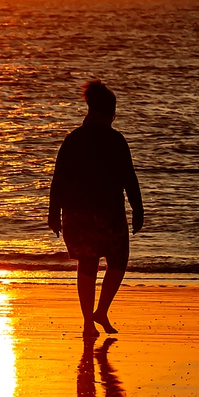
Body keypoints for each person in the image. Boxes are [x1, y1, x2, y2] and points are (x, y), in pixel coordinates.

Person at [48, 80, 144, 338]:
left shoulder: (73, 140)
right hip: (108, 212)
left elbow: (59, 179)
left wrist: (53, 214)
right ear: (109, 113)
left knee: (87, 264)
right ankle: (99, 312)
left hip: (75, 214)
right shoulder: (116, 140)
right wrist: (138, 208)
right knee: (118, 260)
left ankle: (89, 322)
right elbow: (129, 177)